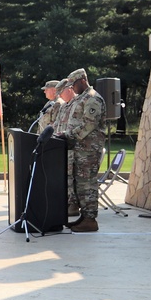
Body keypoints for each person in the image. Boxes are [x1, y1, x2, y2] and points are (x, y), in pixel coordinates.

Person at [55, 68, 107, 233]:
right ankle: (84, 216)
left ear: (82, 81)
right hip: (79, 149)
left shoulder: (92, 99)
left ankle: (90, 220)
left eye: (73, 85)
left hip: (88, 150)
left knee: (87, 184)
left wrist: (67, 135)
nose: (72, 88)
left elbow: (88, 125)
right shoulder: (81, 98)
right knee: (79, 184)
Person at [52, 78, 79, 216]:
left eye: (60, 92)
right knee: (63, 175)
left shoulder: (78, 104)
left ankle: (73, 204)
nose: (59, 95)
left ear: (69, 89)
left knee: (70, 176)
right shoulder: (64, 106)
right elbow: (56, 124)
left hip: (72, 147)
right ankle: (65, 202)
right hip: (61, 147)